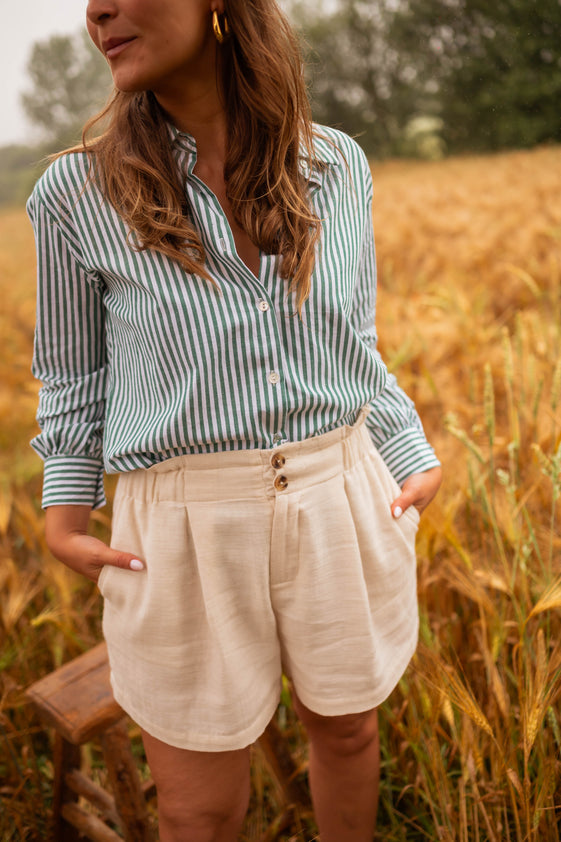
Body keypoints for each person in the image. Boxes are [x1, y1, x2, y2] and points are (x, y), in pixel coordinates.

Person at [28, 1, 442, 839]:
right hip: (182, 525)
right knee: (199, 808)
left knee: (348, 730)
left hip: (338, 489)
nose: (96, 11)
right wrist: (64, 514)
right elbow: (74, 375)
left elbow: (352, 341)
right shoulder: (74, 192)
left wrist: (406, 448)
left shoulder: (335, 164)